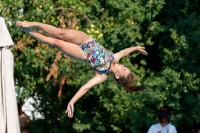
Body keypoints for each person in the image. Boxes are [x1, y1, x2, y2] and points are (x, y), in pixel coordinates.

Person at [16, 21, 148, 118]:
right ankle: (32, 24)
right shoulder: (114, 58)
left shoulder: (102, 75)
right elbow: (125, 52)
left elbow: (85, 87)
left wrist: (72, 102)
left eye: (123, 70)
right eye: (125, 67)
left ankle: (28, 31)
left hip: (82, 54)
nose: (123, 66)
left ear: (118, 76)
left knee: (56, 42)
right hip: (86, 40)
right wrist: (136, 48)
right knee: (60, 33)